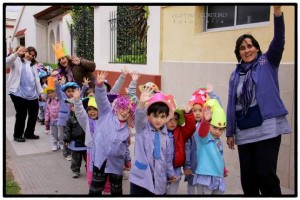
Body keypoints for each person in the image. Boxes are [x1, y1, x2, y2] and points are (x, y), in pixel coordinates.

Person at [226, 6, 291, 196]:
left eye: (251, 45)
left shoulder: (267, 62)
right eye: (243, 47)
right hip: (244, 130)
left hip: (268, 127)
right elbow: (232, 103)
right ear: (239, 52)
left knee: (265, 174)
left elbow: (279, 41)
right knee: (248, 178)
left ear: (257, 48)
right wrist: (230, 131)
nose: (248, 50)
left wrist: (277, 12)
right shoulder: (235, 74)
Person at [88, 71, 134, 196]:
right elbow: (101, 99)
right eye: (122, 108)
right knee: (95, 189)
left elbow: (125, 147)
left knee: (116, 190)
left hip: (116, 164)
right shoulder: (106, 114)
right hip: (101, 160)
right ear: (116, 107)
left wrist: (127, 160)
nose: (124, 112)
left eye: (128, 111)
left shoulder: (126, 129)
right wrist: (99, 85)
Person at [129, 88, 177, 195]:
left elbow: (168, 157)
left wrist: (170, 173)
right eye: (155, 116)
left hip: (158, 177)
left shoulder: (166, 137)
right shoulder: (142, 129)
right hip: (141, 178)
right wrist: (141, 105)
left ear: (166, 118)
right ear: (148, 116)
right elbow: (139, 118)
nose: (158, 120)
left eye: (162, 116)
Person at [184, 85, 221, 194]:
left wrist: (212, 94)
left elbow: (218, 108)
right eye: (194, 110)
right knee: (191, 185)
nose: (198, 113)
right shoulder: (189, 127)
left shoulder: (208, 126)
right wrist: (187, 165)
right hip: (193, 163)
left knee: (203, 189)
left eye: (201, 110)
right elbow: (187, 147)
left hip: (205, 166)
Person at [6, 46, 44, 142]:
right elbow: (6, 63)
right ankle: (17, 135)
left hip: (32, 93)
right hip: (18, 93)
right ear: (25, 52)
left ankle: (29, 133)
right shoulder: (17, 60)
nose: (30, 56)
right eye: (29, 53)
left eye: (33, 55)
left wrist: (40, 93)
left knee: (34, 113)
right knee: (21, 114)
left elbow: (36, 80)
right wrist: (15, 54)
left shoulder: (33, 65)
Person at [194, 99, 228, 194]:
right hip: (205, 176)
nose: (217, 131)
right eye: (215, 127)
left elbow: (219, 156)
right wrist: (206, 121)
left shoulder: (219, 140)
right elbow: (202, 132)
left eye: (221, 129)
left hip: (217, 175)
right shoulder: (204, 137)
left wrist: (223, 169)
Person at [165, 99, 196, 195]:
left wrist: (188, 114)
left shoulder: (180, 132)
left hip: (176, 167)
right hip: (162, 167)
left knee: (172, 191)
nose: (173, 122)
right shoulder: (160, 132)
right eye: (170, 119)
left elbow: (191, 128)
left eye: (175, 119)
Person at [54, 77, 79, 160]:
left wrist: (85, 86)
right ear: (65, 92)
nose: (71, 93)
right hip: (64, 122)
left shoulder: (76, 99)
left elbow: (81, 93)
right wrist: (57, 84)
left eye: (73, 91)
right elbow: (58, 91)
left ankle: (72, 151)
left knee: (72, 137)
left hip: (74, 122)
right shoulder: (62, 98)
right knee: (66, 138)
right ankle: (66, 153)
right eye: (68, 91)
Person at [64, 97, 87, 178]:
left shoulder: (86, 118)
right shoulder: (70, 119)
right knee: (75, 159)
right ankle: (75, 170)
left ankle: (89, 170)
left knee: (88, 158)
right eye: (73, 106)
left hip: (85, 143)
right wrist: (66, 139)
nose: (75, 107)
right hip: (75, 143)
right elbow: (67, 130)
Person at [44, 77, 61, 150]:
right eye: (49, 93)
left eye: (52, 92)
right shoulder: (48, 101)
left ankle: (61, 143)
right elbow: (47, 111)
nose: (50, 94)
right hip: (52, 120)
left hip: (60, 120)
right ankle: (54, 143)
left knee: (60, 134)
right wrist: (47, 119)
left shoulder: (59, 99)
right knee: (53, 133)